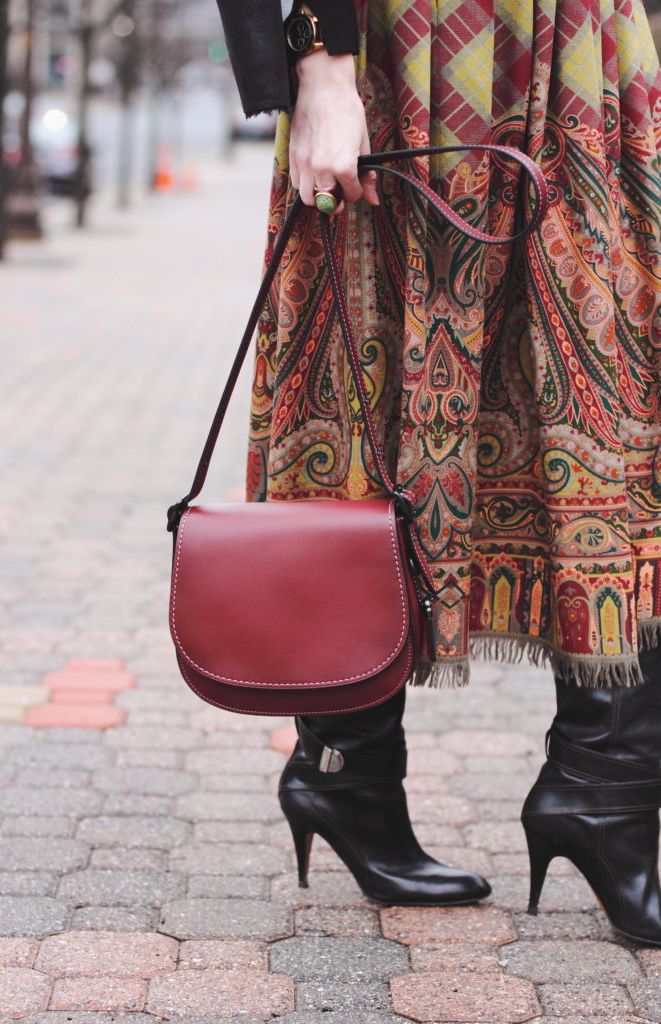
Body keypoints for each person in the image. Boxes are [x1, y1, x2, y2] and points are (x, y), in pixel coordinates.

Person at [215, 0, 661, 941]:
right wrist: (320, 67)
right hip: (401, 47)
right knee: (365, 384)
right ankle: (346, 768)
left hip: (581, 44)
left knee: (611, 388)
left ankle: (606, 784)